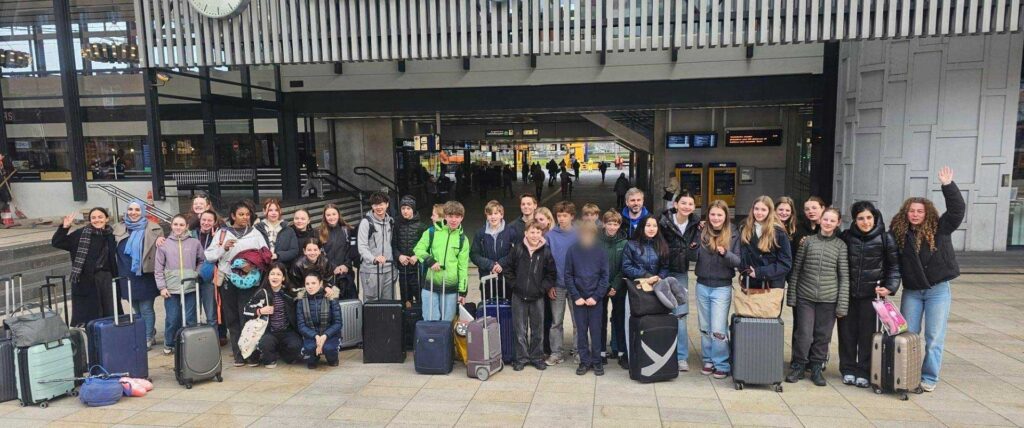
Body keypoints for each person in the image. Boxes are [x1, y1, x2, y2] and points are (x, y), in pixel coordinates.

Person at [890, 166, 963, 392]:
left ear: (927, 213)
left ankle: (929, 377)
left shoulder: (941, 228)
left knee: (934, 337)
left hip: (937, 291)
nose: (915, 214)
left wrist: (948, 186)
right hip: (912, 291)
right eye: (912, 211)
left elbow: (957, 210)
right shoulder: (899, 233)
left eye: (920, 211)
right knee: (908, 336)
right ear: (906, 213)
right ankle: (906, 375)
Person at [839, 201, 900, 388]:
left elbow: (894, 266)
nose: (865, 222)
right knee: (847, 334)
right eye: (860, 218)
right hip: (848, 294)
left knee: (868, 335)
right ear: (854, 220)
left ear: (875, 217)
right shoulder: (846, 237)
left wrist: (890, 287)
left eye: (868, 218)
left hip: (872, 296)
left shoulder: (886, 238)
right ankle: (848, 369)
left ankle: (864, 371)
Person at [786, 208, 849, 387]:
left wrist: (842, 304)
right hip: (805, 297)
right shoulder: (808, 242)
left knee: (823, 336)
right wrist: (792, 296)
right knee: (804, 334)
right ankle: (799, 365)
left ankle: (816, 367)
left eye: (832, 221)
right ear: (820, 220)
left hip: (829, 299)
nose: (828, 223)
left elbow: (844, 277)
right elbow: (796, 270)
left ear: (838, 223)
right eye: (825, 219)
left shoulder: (840, 246)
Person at [205, 201, 271, 367]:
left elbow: (266, 254)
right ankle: (238, 355)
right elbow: (209, 256)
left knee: (248, 316)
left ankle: (250, 353)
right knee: (232, 318)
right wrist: (224, 248)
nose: (245, 217)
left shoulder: (255, 233)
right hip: (228, 281)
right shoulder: (222, 233)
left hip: (249, 282)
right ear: (233, 216)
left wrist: (252, 264)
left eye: (247, 214)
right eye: (241, 214)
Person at [686, 200, 741, 379]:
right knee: (705, 326)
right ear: (707, 215)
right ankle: (708, 360)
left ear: (726, 216)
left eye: (719, 215)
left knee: (718, 328)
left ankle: (721, 363)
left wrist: (725, 253)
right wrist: (693, 247)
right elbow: (691, 255)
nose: (716, 218)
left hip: (722, 287)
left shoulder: (733, 232)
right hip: (702, 284)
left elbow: (738, 261)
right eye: (712, 214)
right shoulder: (701, 231)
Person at [622, 216, 684, 365]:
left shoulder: (662, 245)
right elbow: (626, 267)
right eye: (648, 225)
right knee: (632, 323)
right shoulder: (631, 245)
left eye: (654, 226)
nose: (651, 229)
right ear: (642, 227)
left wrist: (659, 278)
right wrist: (646, 276)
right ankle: (633, 359)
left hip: (657, 289)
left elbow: (665, 266)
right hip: (636, 289)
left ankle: (652, 357)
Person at [499, 221, 557, 372]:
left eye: (538, 232)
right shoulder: (517, 249)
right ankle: (521, 358)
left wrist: (542, 289)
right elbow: (508, 269)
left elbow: (551, 274)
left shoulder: (546, 252)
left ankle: (537, 357)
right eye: (532, 232)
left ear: (541, 234)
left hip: (537, 297)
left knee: (538, 329)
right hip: (519, 295)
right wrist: (514, 285)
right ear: (526, 233)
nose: (535, 235)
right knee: (520, 329)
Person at [52, 208, 119, 326]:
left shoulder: (112, 235)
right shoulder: (81, 234)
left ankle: (109, 334)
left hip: (107, 278)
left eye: (100, 217)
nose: (97, 220)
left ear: (107, 219)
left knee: (110, 312)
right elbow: (57, 242)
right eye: (93, 218)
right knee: (90, 316)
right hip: (86, 280)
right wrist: (65, 227)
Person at [112, 200, 164, 350]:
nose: (133, 212)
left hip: (145, 274)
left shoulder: (154, 228)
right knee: (136, 308)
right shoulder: (118, 228)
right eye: (130, 209)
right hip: (126, 274)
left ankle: (147, 337)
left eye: (137, 210)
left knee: (146, 308)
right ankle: (148, 331)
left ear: (143, 211)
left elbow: (161, 252)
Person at [658, 193, 700, 371]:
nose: (687, 206)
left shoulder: (696, 224)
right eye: (683, 203)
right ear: (675, 204)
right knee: (660, 313)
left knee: (680, 315)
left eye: (690, 204)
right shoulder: (662, 222)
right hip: (661, 271)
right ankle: (661, 352)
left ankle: (681, 356)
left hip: (681, 273)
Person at [155, 214, 206, 355]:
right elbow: (158, 268)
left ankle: (192, 343)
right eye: (175, 224)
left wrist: (196, 273)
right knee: (173, 318)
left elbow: (202, 260)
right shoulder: (164, 244)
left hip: (190, 287)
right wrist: (162, 287)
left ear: (186, 226)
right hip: (171, 288)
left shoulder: (194, 242)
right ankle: (170, 343)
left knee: (191, 318)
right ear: (171, 225)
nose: (178, 227)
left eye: (181, 225)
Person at [564, 222, 609, 376]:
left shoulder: (601, 252)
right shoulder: (572, 250)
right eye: (584, 234)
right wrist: (576, 296)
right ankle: (584, 361)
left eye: (590, 234)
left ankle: (597, 362)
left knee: (596, 331)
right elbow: (568, 275)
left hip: (595, 300)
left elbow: (604, 277)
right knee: (581, 331)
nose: (586, 236)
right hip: (579, 299)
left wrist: (596, 297)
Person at [413, 201, 470, 321]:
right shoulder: (432, 232)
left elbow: (463, 267)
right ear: (445, 216)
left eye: (457, 217)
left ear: (462, 218)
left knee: (447, 322)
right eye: (450, 216)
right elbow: (418, 249)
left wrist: (462, 292)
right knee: (430, 319)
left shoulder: (463, 239)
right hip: (430, 284)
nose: (453, 220)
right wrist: (430, 261)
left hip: (450, 287)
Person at [244, 263, 302, 368]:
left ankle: (282, 353)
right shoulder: (262, 293)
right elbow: (246, 310)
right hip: (269, 331)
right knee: (266, 346)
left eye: (278, 274)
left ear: (283, 278)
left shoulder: (288, 293)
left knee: (296, 347)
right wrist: (260, 311)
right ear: (268, 276)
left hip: (286, 331)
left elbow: (306, 291)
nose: (275, 277)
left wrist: (326, 288)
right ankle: (268, 356)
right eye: (272, 274)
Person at [544, 201, 579, 366]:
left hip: (576, 285)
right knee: (556, 322)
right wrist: (549, 285)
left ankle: (579, 351)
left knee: (578, 322)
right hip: (557, 285)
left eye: (565, 215)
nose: (561, 219)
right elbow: (546, 263)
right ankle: (556, 353)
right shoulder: (550, 236)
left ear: (572, 216)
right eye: (559, 215)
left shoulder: (579, 234)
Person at [296, 272, 343, 369]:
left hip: (329, 334)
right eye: (307, 284)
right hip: (311, 335)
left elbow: (338, 323)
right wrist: (316, 336)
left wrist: (325, 336)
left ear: (320, 283)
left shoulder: (331, 297)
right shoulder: (301, 300)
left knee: (329, 350)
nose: (310, 286)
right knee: (311, 361)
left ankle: (333, 356)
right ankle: (314, 356)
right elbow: (301, 325)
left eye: (313, 283)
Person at [598, 211, 627, 366]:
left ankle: (621, 352)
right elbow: (595, 265)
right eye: (609, 223)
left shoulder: (624, 243)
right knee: (600, 320)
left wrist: (615, 285)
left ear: (619, 225)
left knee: (619, 319)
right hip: (601, 286)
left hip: (619, 287)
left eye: (615, 224)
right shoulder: (596, 241)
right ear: (604, 224)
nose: (612, 227)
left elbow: (624, 267)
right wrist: (606, 285)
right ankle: (601, 352)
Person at [470, 200, 516, 297]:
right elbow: (474, 255)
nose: (493, 217)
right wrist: (490, 265)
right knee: (488, 304)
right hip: (487, 277)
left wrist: (501, 264)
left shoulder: (511, 232)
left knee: (506, 304)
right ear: (486, 216)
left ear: (501, 215)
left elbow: (515, 253)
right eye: (490, 214)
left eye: (496, 213)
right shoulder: (480, 234)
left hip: (507, 278)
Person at [357, 192, 397, 301]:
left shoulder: (391, 222)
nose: (378, 207)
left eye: (381, 204)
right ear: (372, 206)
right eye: (375, 205)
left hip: (389, 270)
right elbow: (362, 247)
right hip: (371, 271)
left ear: (387, 204)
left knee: (389, 304)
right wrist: (373, 259)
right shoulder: (366, 223)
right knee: (372, 304)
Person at [191, 210, 222, 338]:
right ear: (200, 220)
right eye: (204, 220)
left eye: (210, 220)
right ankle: (194, 339)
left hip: (209, 278)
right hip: (192, 276)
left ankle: (213, 340)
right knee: (192, 312)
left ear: (214, 222)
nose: (206, 223)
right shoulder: (191, 234)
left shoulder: (219, 236)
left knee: (211, 313)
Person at [318, 204, 357, 300]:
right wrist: (333, 267)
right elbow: (320, 254)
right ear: (324, 217)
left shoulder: (347, 230)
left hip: (346, 274)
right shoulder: (319, 232)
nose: (331, 217)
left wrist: (346, 265)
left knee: (349, 303)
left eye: (334, 214)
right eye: (328, 215)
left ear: (338, 214)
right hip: (328, 275)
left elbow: (351, 250)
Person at [394, 196, 427, 306]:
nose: (405, 211)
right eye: (403, 208)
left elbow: (427, 247)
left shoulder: (422, 227)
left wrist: (417, 256)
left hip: (417, 269)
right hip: (403, 269)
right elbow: (393, 245)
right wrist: (399, 256)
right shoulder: (396, 226)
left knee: (420, 299)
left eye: (408, 208)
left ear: (413, 209)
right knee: (405, 301)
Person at [256, 198, 299, 264]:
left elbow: (294, 251)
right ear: (264, 211)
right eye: (270, 210)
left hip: (281, 266)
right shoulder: (258, 229)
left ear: (280, 211)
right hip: (262, 266)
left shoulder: (289, 230)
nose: (274, 213)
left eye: (276, 210)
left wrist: (277, 255)